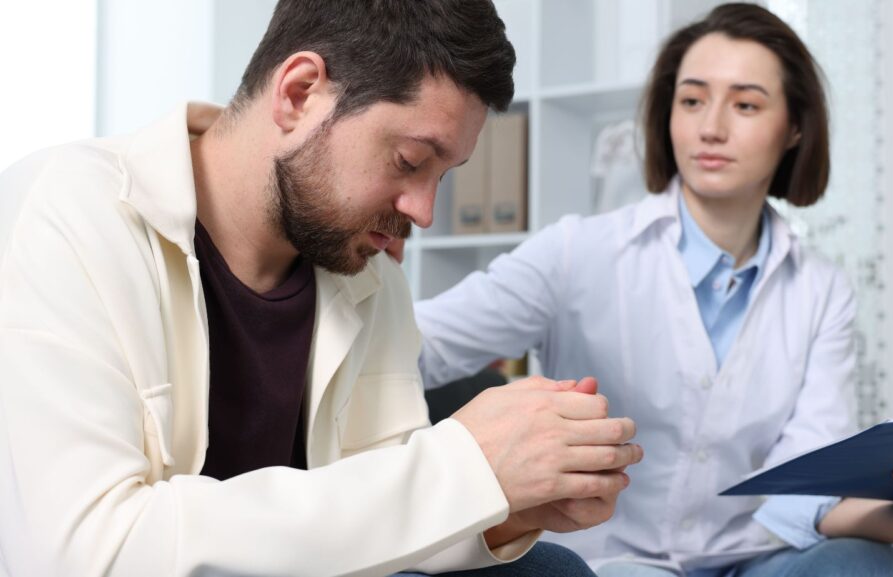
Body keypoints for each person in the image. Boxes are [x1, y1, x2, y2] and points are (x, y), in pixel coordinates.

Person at [0, 1, 644, 576]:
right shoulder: (68, 213)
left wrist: (506, 500)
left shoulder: (365, 273)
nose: (423, 212)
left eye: (443, 176)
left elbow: (388, 507)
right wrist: (465, 465)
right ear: (300, 92)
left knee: (548, 569)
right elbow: (90, 552)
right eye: (410, 161)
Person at [414, 4, 893, 576]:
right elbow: (423, 347)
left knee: (865, 565)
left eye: (746, 104)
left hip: (758, 559)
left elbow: (804, 491)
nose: (711, 127)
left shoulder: (821, 291)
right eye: (692, 100)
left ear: (795, 127)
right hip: (613, 561)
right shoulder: (577, 253)